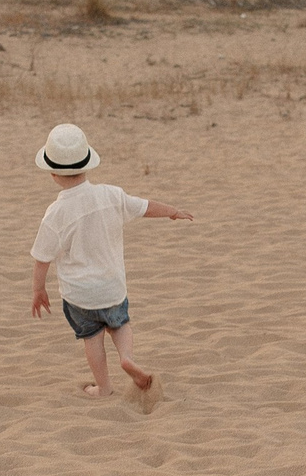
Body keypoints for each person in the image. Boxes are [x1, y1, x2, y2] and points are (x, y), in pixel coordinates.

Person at [26, 122, 193, 408]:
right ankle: (127, 358)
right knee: (120, 324)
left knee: (91, 338)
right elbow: (144, 206)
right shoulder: (111, 195)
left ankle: (103, 387)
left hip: (78, 295)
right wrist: (172, 212)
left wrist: (38, 289)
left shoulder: (55, 213)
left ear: (52, 173)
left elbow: (42, 257)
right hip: (112, 287)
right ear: (88, 163)